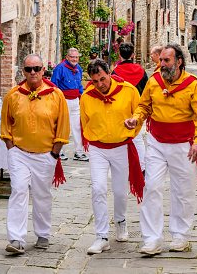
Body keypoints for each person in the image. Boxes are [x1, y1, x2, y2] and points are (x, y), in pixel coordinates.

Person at [124, 44, 197, 255]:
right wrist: (136, 119)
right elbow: (144, 106)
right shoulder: (153, 81)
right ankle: (152, 239)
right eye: (161, 60)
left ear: (178, 62)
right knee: (151, 187)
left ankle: (180, 236)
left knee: (183, 191)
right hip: (157, 143)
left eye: (166, 60)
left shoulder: (192, 84)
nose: (162, 64)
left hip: (184, 145)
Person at [0, 54, 70, 254]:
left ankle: (43, 234)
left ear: (42, 71)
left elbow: (63, 127)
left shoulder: (56, 95)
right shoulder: (13, 95)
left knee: (42, 194)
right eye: (28, 69)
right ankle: (16, 239)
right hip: (19, 153)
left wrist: (53, 155)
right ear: (23, 71)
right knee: (19, 190)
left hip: (45, 154)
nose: (33, 72)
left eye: (36, 68)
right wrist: (11, 148)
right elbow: (5, 124)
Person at [80, 58, 144, 255]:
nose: (100, 85)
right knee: (98, 188)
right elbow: (84, 122)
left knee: (119, 191)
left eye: (102, 79)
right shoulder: (87, 96)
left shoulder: (129, 91)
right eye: (95, 81)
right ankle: (101, 236)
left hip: (121, 147)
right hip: (98, 148)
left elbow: (140, 113)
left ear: (109, 74)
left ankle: (121, 222)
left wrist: (134, 126)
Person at [112, 42, 148, 172]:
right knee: (137, 139)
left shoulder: (115, 72)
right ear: (132, 55)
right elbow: (146, 91)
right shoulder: (141, 71)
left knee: (122, 139)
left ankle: (125, 168)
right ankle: (142, 167)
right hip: (137, 109)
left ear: (120, 55)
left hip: (120, 108)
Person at [51, 48, 88, 161]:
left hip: (76, 101)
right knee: (63, 127)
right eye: (72, 57)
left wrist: (81, 97)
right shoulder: (60, 68)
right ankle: (60, 152)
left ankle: (79, 152)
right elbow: (54, 85)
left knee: (77, 126)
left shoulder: (79, 68)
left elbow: (80, 84)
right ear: (67, 57)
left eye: (76, 57)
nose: (74, 59)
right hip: (64, 101)